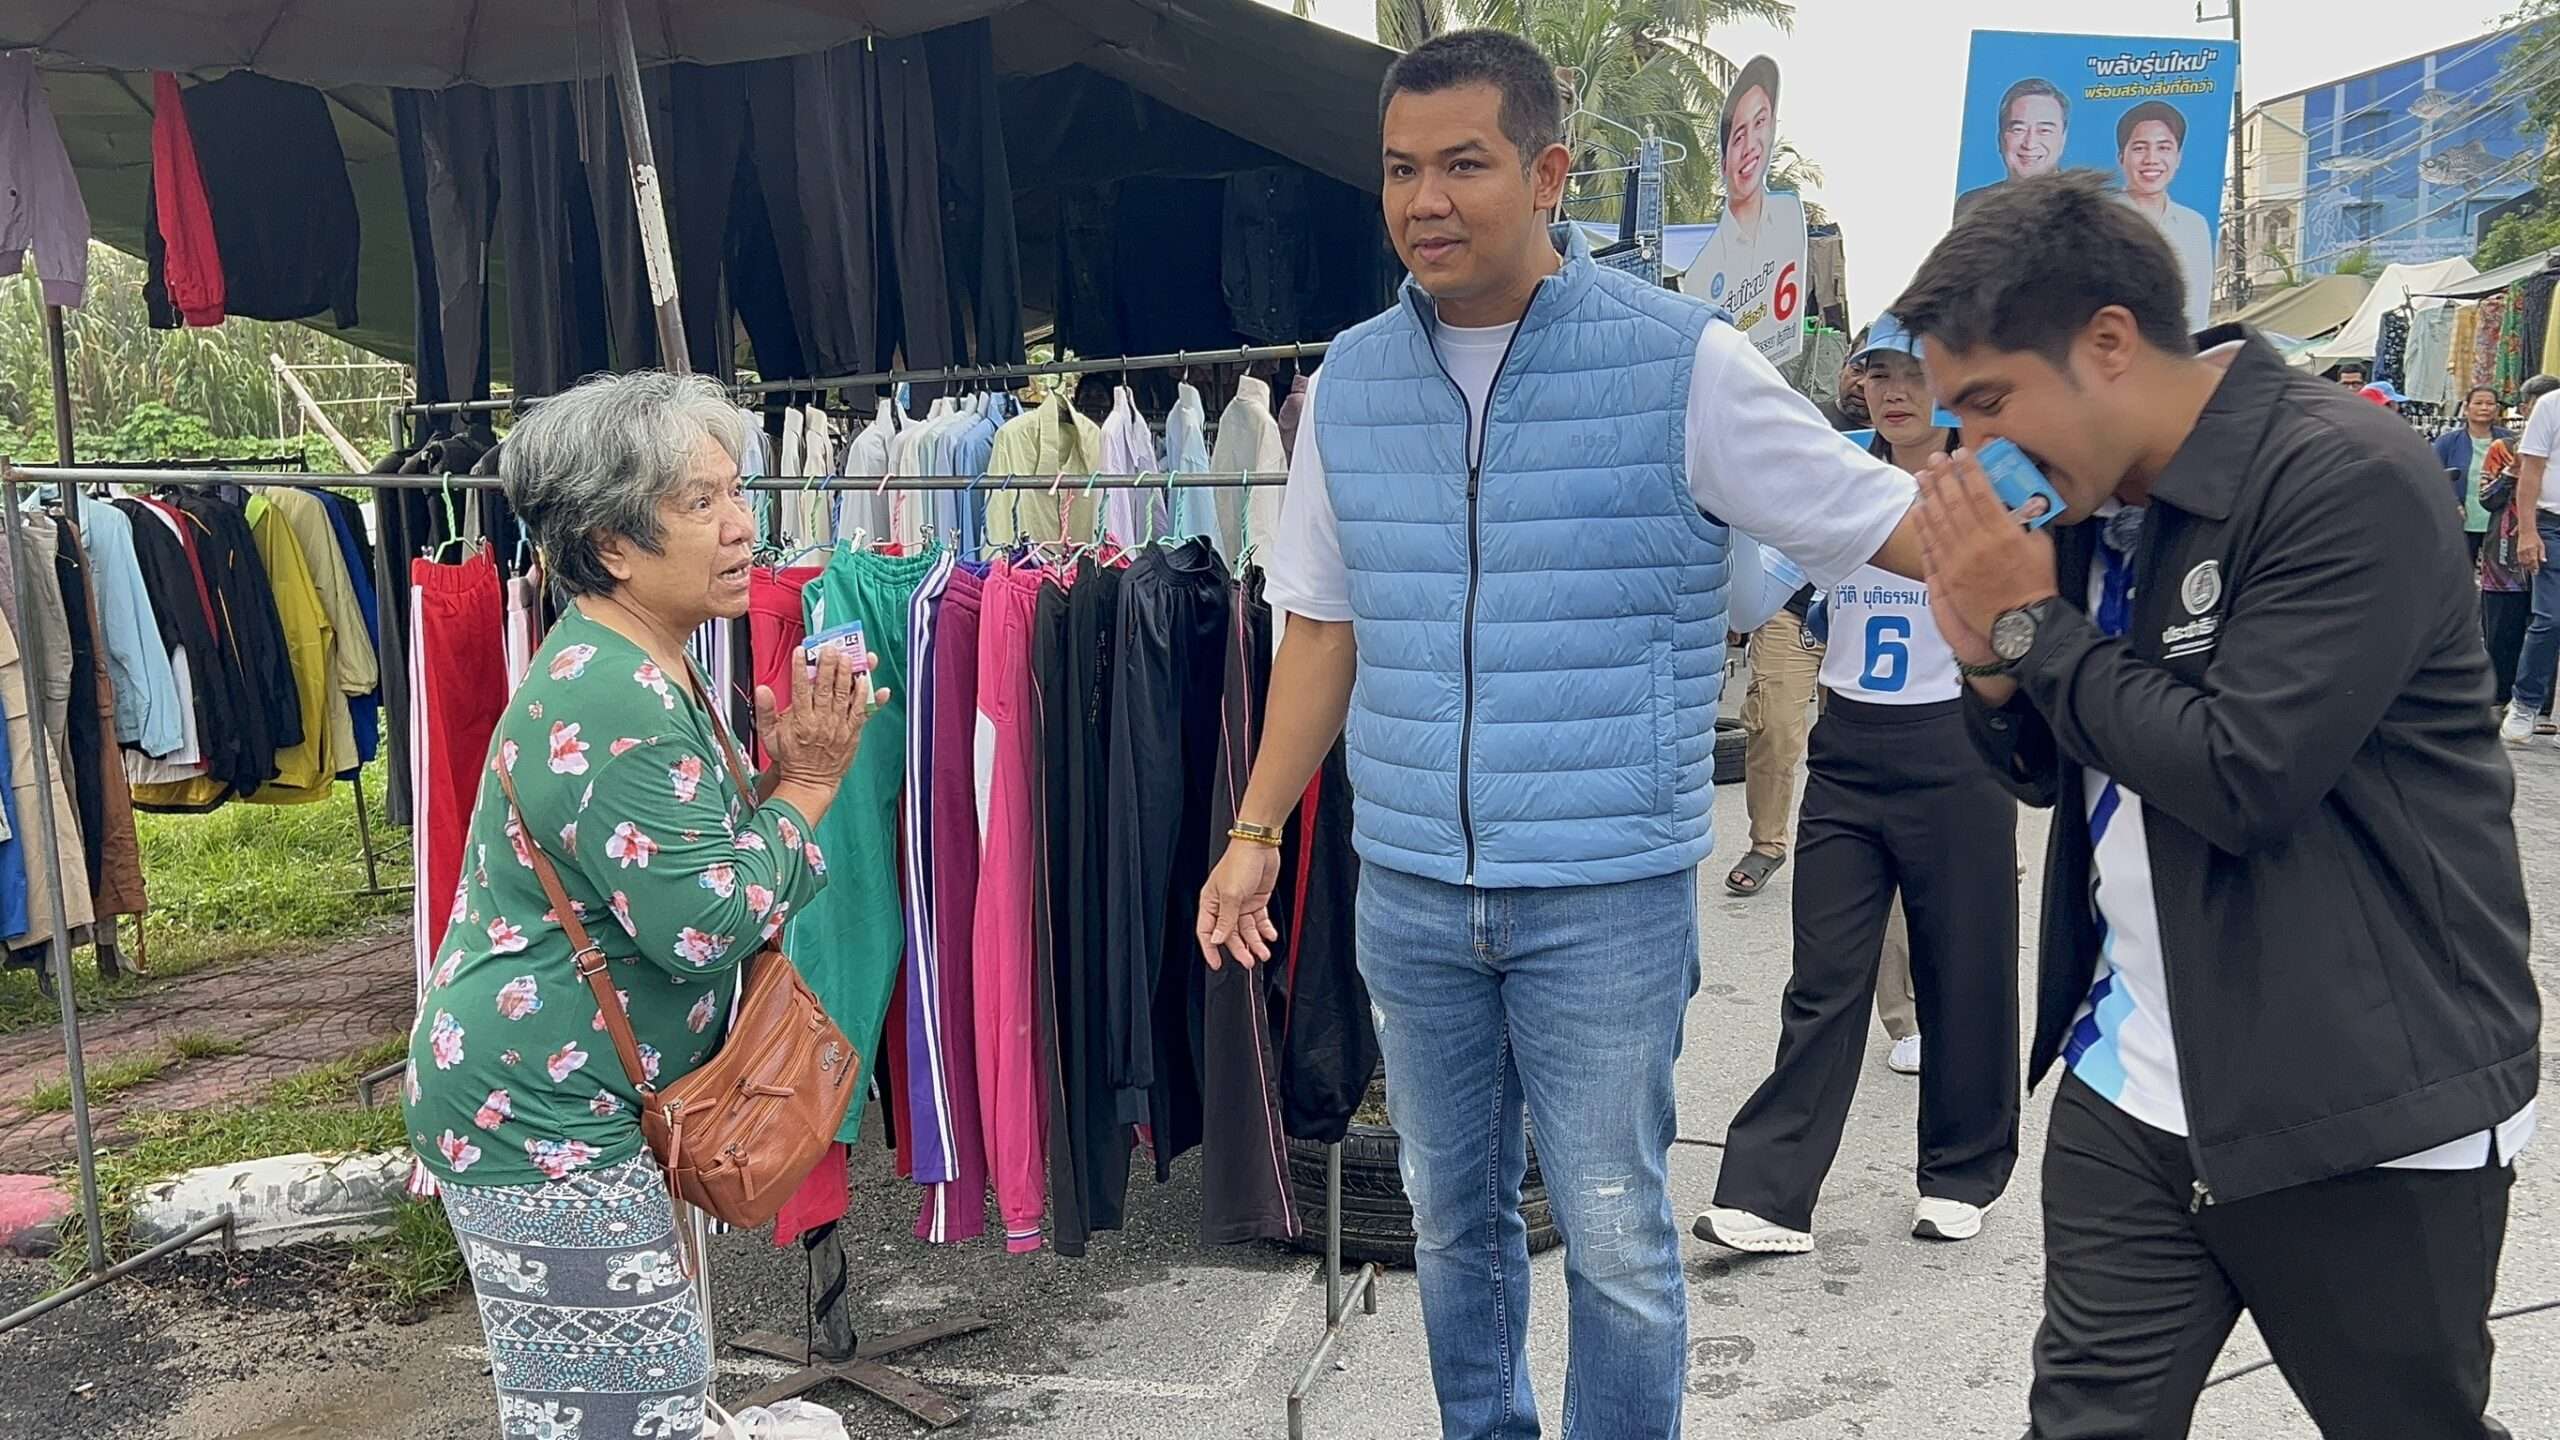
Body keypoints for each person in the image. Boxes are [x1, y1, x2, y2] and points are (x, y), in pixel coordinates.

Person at [1192, 30, 1925, 1439]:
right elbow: (1324, 628)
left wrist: (2070, 578)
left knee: (1615, 1235)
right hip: (1414, 889)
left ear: (1547, 175)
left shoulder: (1681, 363)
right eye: (1400, 169)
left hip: (1605, 896)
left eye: (1463, 164)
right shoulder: (1350, 384)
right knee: (1452, 1223)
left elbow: (1880, 517)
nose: (1425, 201)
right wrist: (1255, 829)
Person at [1897, 170, 2537, 1440]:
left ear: (2109, 343)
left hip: (2360, 1102)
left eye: (1987, 402)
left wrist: (2030, 627)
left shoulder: (2343, 474)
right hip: (2133, 1083)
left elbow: (2243, 776)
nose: (1968, 451)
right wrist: (1990, 665)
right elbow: (2052, 771)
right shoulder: (2085, 504)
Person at [404, 372, 879, 1440]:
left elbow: (681, 868)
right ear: (610, 543)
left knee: (635, 1392)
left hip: (582, 1098)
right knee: (621, 1411)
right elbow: (708, 921)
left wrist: (775, 784)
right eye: (701, 502)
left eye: (736, 492)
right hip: (542, 1113)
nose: (742, 525)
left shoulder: (644, 657)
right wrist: (808, 786)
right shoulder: (613, 692)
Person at [1698, 315, 2021, 1255]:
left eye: (1913, 372)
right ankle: (1768, 1196)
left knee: (1965, 968)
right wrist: (1728, 511)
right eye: (1877, 374)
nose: (1893, 391)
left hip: (1956, 746)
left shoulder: (1995, 478)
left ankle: (1961, 1172)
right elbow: (1751, 600)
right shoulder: (1833, 475)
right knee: (1825, 974)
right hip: (1849, 749)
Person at [2481, 376, 2557, 714]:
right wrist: (2512, 472)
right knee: (2503, 629)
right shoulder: (2504, 447)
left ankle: (2539, 707)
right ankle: (2499, 698)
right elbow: (2487, 499)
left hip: (2547, 544)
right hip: (2506, 552)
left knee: (2547, 623)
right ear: (2524, 408)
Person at [2112, 103, 2213, 332]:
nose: (2151, 159)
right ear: (2121, 157)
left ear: (2178, 158)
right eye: (2140, 148)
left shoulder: (2194, 225)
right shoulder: (2098, 219)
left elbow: (2197, 311)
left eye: (2163, 148)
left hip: (2175, 349)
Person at [2499, 362, 2560, 742]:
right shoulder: (2551, 405)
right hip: (2552, 523)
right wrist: (2527, 531)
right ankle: (2525, 701)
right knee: (2550, 618)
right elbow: (2531, 470)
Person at [1954, 76, 2068, 217]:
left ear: (2063, 139)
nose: (2030, 144)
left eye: (2044, 130)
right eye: (2018, 130)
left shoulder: (2086, 207)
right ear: (2000, 138)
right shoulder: (1970, 205)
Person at [2437, 385, 2511, 566]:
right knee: (2460, 571)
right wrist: (2452, 504)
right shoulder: (2447, 442)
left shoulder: (2509, 441)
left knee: (2499, 575)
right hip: (2462, 521)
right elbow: (2433, 476)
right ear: (2466, 407)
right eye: (2478, 403)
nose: (2484, 408)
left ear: (2497, 409)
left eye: (2490, 404)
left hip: (2500, 522)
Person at [1718, 55, 1779, 242]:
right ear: (1724, 165)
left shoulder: (1789, 214)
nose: (1749, 146)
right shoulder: (1713, 254)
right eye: (1739, 137)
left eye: (1759, 122)